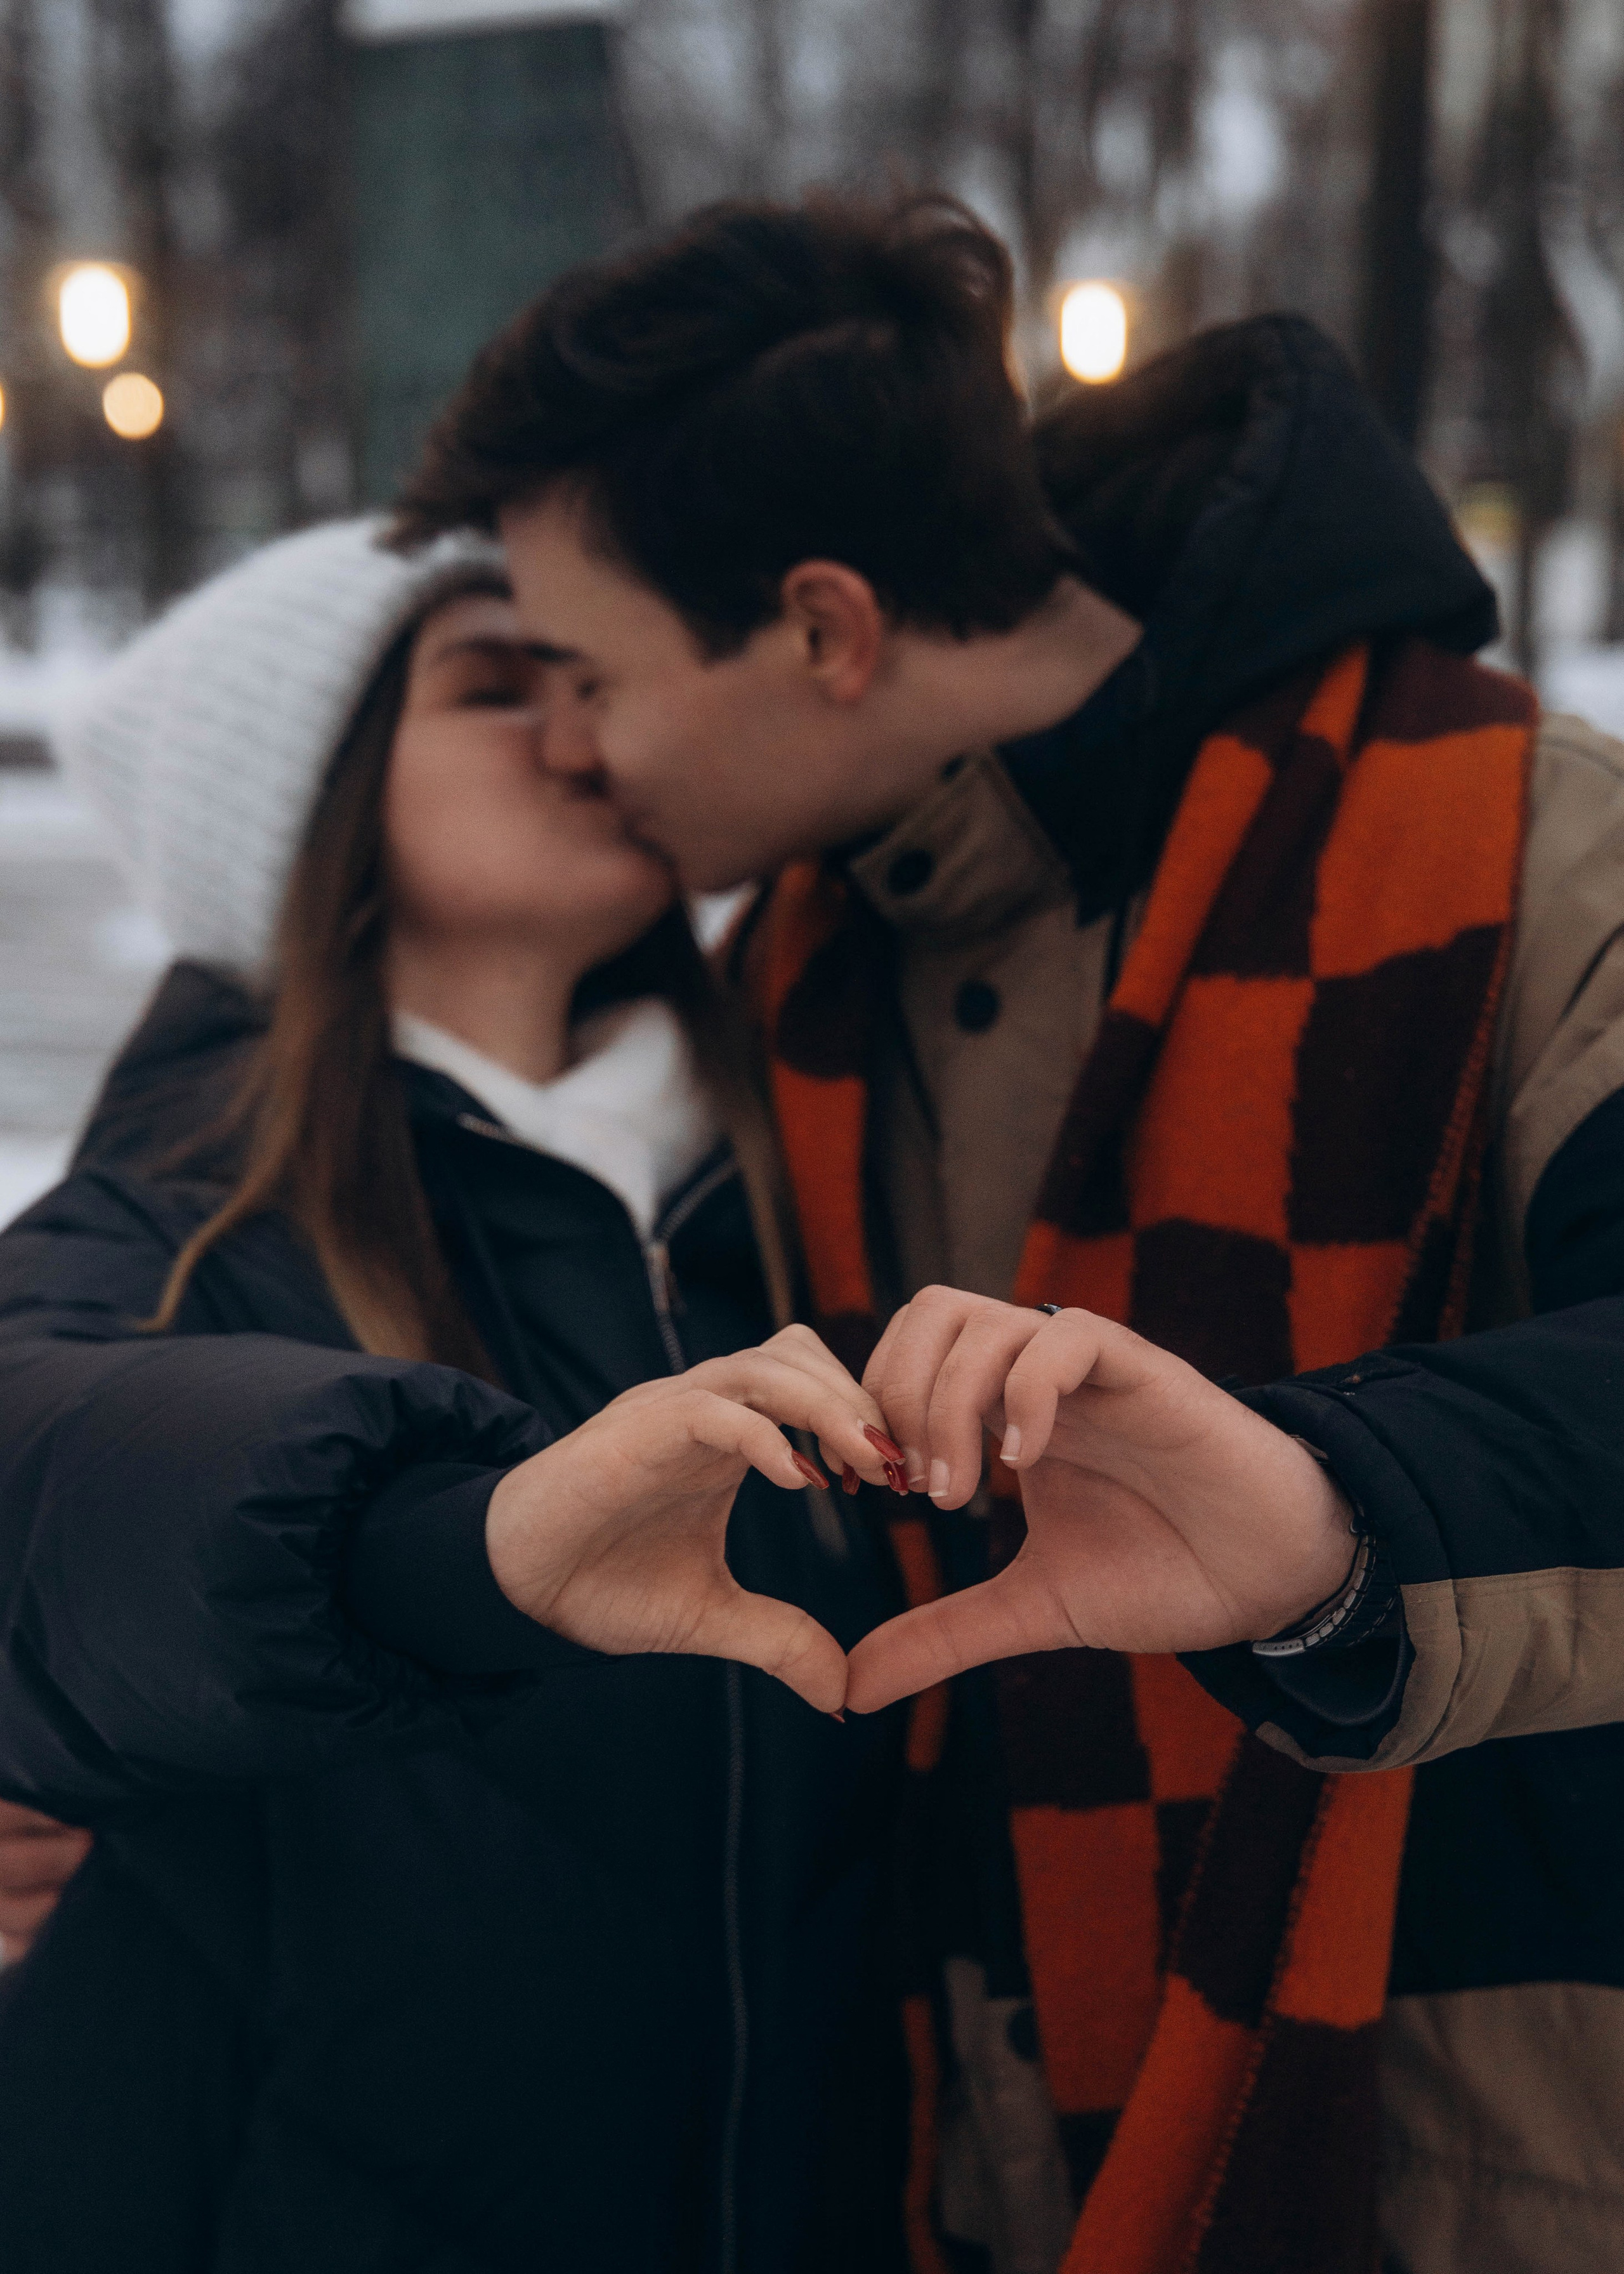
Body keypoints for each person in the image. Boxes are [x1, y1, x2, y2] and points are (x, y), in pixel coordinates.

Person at [389, 194, 1624, 2273]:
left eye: (593, 673)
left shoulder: (1541, 850)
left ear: (826, 630)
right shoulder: (800, 963)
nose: (577, 746)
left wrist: (1333, 1517)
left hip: (1489, 2187)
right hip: (974, 2168)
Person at [0, 517, 915, 2274]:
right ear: (309, 808)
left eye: (590, 679)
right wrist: (439, 1541)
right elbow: (36, 1485)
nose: (579, 735)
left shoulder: (811, 1188)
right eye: (494, 690)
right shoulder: (179, 1225)